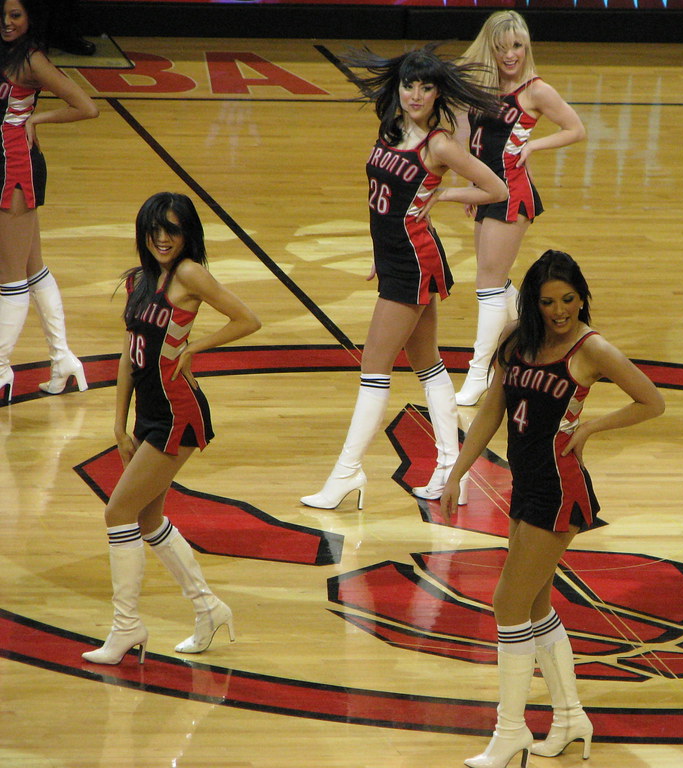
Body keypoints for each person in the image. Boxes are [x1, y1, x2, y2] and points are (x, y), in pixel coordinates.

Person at [439, 249, 664, 767]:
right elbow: (493, 406)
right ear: (533, 302)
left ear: (582, 296)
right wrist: (457, 471)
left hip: (559, 488)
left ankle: (510, 733)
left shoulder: (594, 348)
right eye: (548, 301)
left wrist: (590, 427)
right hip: (526, 483)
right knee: (534, 608)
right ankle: (569, 719)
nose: (560, 310)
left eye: (568, 299)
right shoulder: (517, 339)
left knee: (506, 605)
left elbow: (652, 401)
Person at [300, 46, 508, 511]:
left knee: (373, 370)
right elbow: (381, 200)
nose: (415, 94)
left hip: (414, 261)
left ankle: (346, 474)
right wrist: (379, 249)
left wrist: (447, 193)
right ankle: (449, 470)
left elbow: (496, 187)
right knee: (427, 364)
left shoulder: (438, 144)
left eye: (426, 87)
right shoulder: (391, 126)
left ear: (438, 94)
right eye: (409, 85)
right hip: (395, 255)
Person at [81, 192, 261, 665]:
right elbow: (127, 356)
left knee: (117, 513)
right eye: (155, 229)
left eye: (173, 230)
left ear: (188, 235)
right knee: (146, 519)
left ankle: (126, 627)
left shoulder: (189, 274)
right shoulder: (140, 280)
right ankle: (209, 608)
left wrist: (196, 347)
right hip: (148, 411)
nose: (163, 238)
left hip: (178, 411)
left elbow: (248, 319)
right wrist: (118, 424)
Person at [453, 11, 586, 407]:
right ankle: (533, 324)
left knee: (488, 284)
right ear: (489, 47)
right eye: (502, 46)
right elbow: (463, 131)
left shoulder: (536, 90)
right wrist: (464, 184)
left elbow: (575, 128)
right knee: (492, 280)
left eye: (518, 46)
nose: (511, 54)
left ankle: (480, 373)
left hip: (512, 192)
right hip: (484, 190)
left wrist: (533, 146)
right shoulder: (477, 83)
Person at [0, 0, 98, 405]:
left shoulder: (33, 60)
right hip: (4, 161)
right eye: (3, 15)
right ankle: (63, 360)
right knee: (31, 266)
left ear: (31, 19)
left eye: (15, 16)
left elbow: (86, 107)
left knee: (9, 275)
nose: (7, 22)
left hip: (16, 167)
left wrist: (36, 120)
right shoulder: (6, 52)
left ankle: (1, 370)